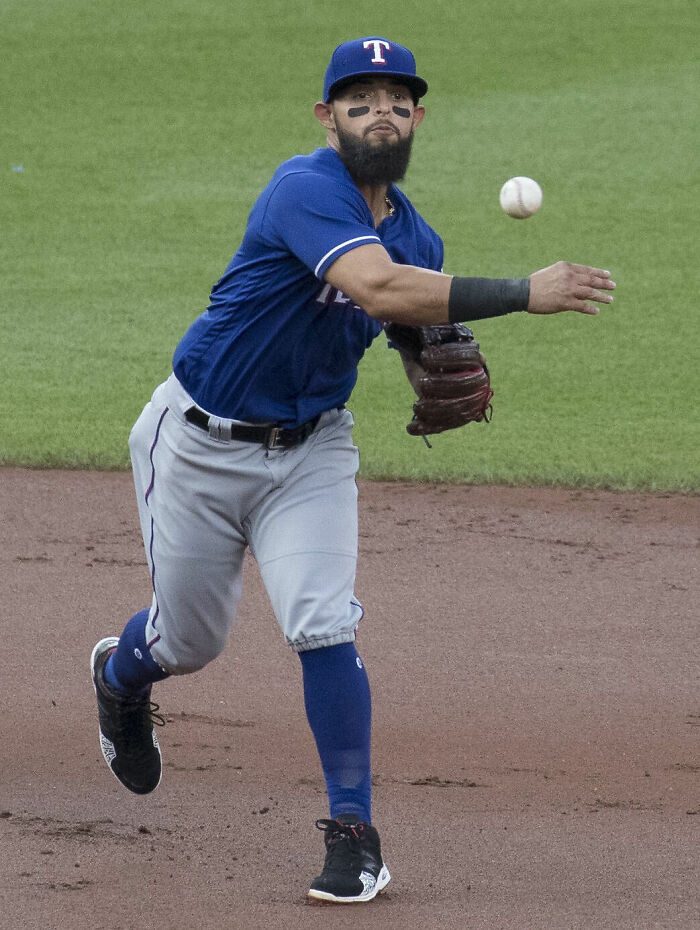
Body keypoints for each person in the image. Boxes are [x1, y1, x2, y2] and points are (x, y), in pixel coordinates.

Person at [90, 36, 615, 904]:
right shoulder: (305, 189)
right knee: (191, 641)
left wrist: (428, 363)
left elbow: (408, 324)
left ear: (417, 118)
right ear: (328, 117)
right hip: (194, 444)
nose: (382, 112)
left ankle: (353, 832)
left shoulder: (418, 233)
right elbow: (379, 290)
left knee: (322, 621)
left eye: (398, 100)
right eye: (361, 99)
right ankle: (120, 677)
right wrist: (527, 290)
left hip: (313, 452)